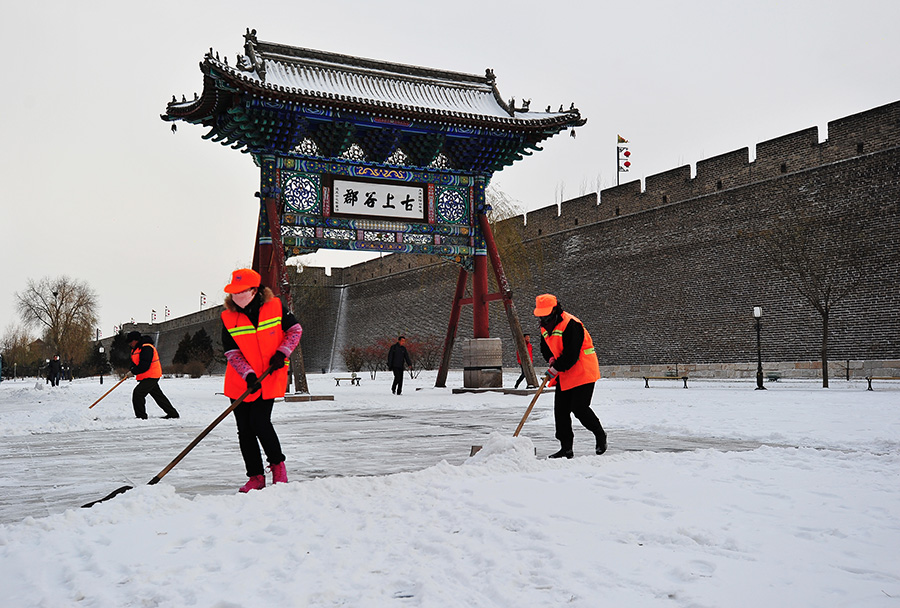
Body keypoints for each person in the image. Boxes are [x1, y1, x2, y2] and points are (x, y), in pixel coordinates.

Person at [221, 268, 302, 493]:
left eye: (242, 291)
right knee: (245, 430)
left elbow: (295, 330)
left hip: (269, 376)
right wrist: (248, 374)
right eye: (234, 292)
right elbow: (232, 352)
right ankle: (255, 476)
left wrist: (282, 352)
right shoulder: (228, 316)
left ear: (254, 290)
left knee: (260, 422)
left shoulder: (275, 306)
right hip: (241, 381)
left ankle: (278, 467)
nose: (237, 296)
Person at [534, 293, 607, 459]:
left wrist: (556, 368)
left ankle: (599, 434)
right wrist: (550, 359)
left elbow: (572, 353)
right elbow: (545, 347)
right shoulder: (545, 326)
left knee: (579, 408)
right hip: (565, 372)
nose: (543, 318)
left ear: (555, 310)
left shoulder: (571, 324)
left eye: (546, 314)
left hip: (583, 370)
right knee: (561, 411)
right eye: (541, 315)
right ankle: (566, 448)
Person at [127, 331, 179, 420]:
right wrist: (132, 369)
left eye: (130, 341)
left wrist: (133, 372)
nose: (129, 344)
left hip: (151, 375)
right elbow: (135, 362)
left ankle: (141, 416)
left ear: (136, 340)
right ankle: (172, 413)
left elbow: (145, 365)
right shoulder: (136, 349)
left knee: (138, 393)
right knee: (158, 396)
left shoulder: (147, 348)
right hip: (146, 376)